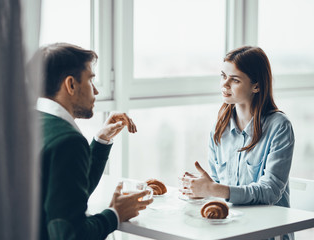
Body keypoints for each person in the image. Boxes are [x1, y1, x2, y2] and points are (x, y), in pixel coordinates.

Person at [32, 43, 153, 240]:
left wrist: (101, 141)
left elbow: (66, 198)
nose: (95, 91)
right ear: (71, 84)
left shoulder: (25, 122)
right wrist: (114, 215)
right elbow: (71, 235)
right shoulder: (68, 141)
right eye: (90, 80)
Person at [181, 46, 295, 239]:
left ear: (256, 86)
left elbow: (271, 191)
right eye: (223, 76)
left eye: (234, 79)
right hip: (232, 230)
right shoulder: (220, 128)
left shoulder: (279, 126)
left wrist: (216, 189)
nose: (225, 85)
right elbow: (219, 187)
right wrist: (202, 189)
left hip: (268, 233)